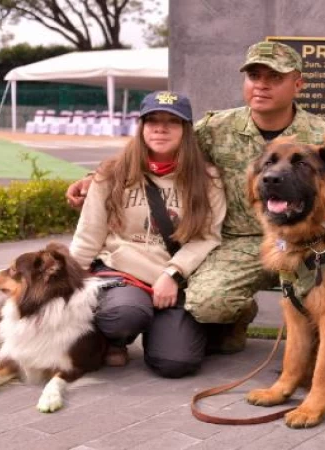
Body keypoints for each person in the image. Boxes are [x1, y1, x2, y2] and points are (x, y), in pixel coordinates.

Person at [67, 41, 325, 354]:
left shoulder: (322, 136)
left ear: (298, 85)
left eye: (274, 77)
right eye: (254, 75)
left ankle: (319, 351)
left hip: (307, 244)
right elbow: (162, 149)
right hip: (240, 243)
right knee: (207, 303)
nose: (261, 84)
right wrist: (96, 179)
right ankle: (237, 315)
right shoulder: (216, 128)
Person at [69, 90, 226, 378]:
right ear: (141, 126)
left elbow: (207, 237)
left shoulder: (207, 179)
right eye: (152, 120)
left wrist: (173, 273)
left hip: (172, 282)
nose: (161, 128)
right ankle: (113, 338)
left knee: (177, 362)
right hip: (122, 273)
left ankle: (167, 329)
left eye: (172, 121)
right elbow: (89, 233)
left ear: (186, 130)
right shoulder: (112, 173)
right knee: (124, 315)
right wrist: (67, 282)